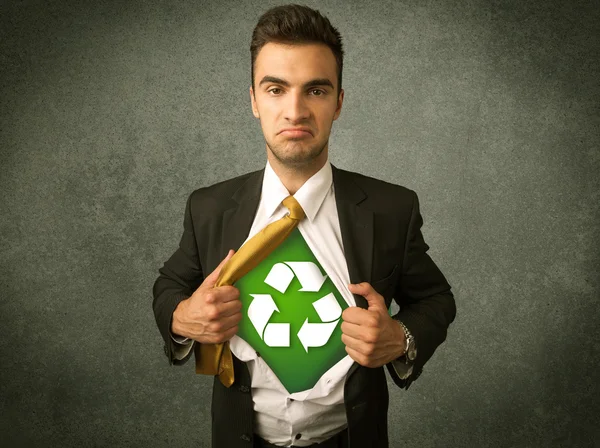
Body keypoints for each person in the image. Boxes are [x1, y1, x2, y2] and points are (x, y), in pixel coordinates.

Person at [152, 4, 456, 448]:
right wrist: (183, 318)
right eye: (276, 89)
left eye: (315, 90)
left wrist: (401, 337)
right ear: (254, 100)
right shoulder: (209, 207)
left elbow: (435, 298)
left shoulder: (392, 209)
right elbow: (169, 287)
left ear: (338, 102)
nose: (295, 110)